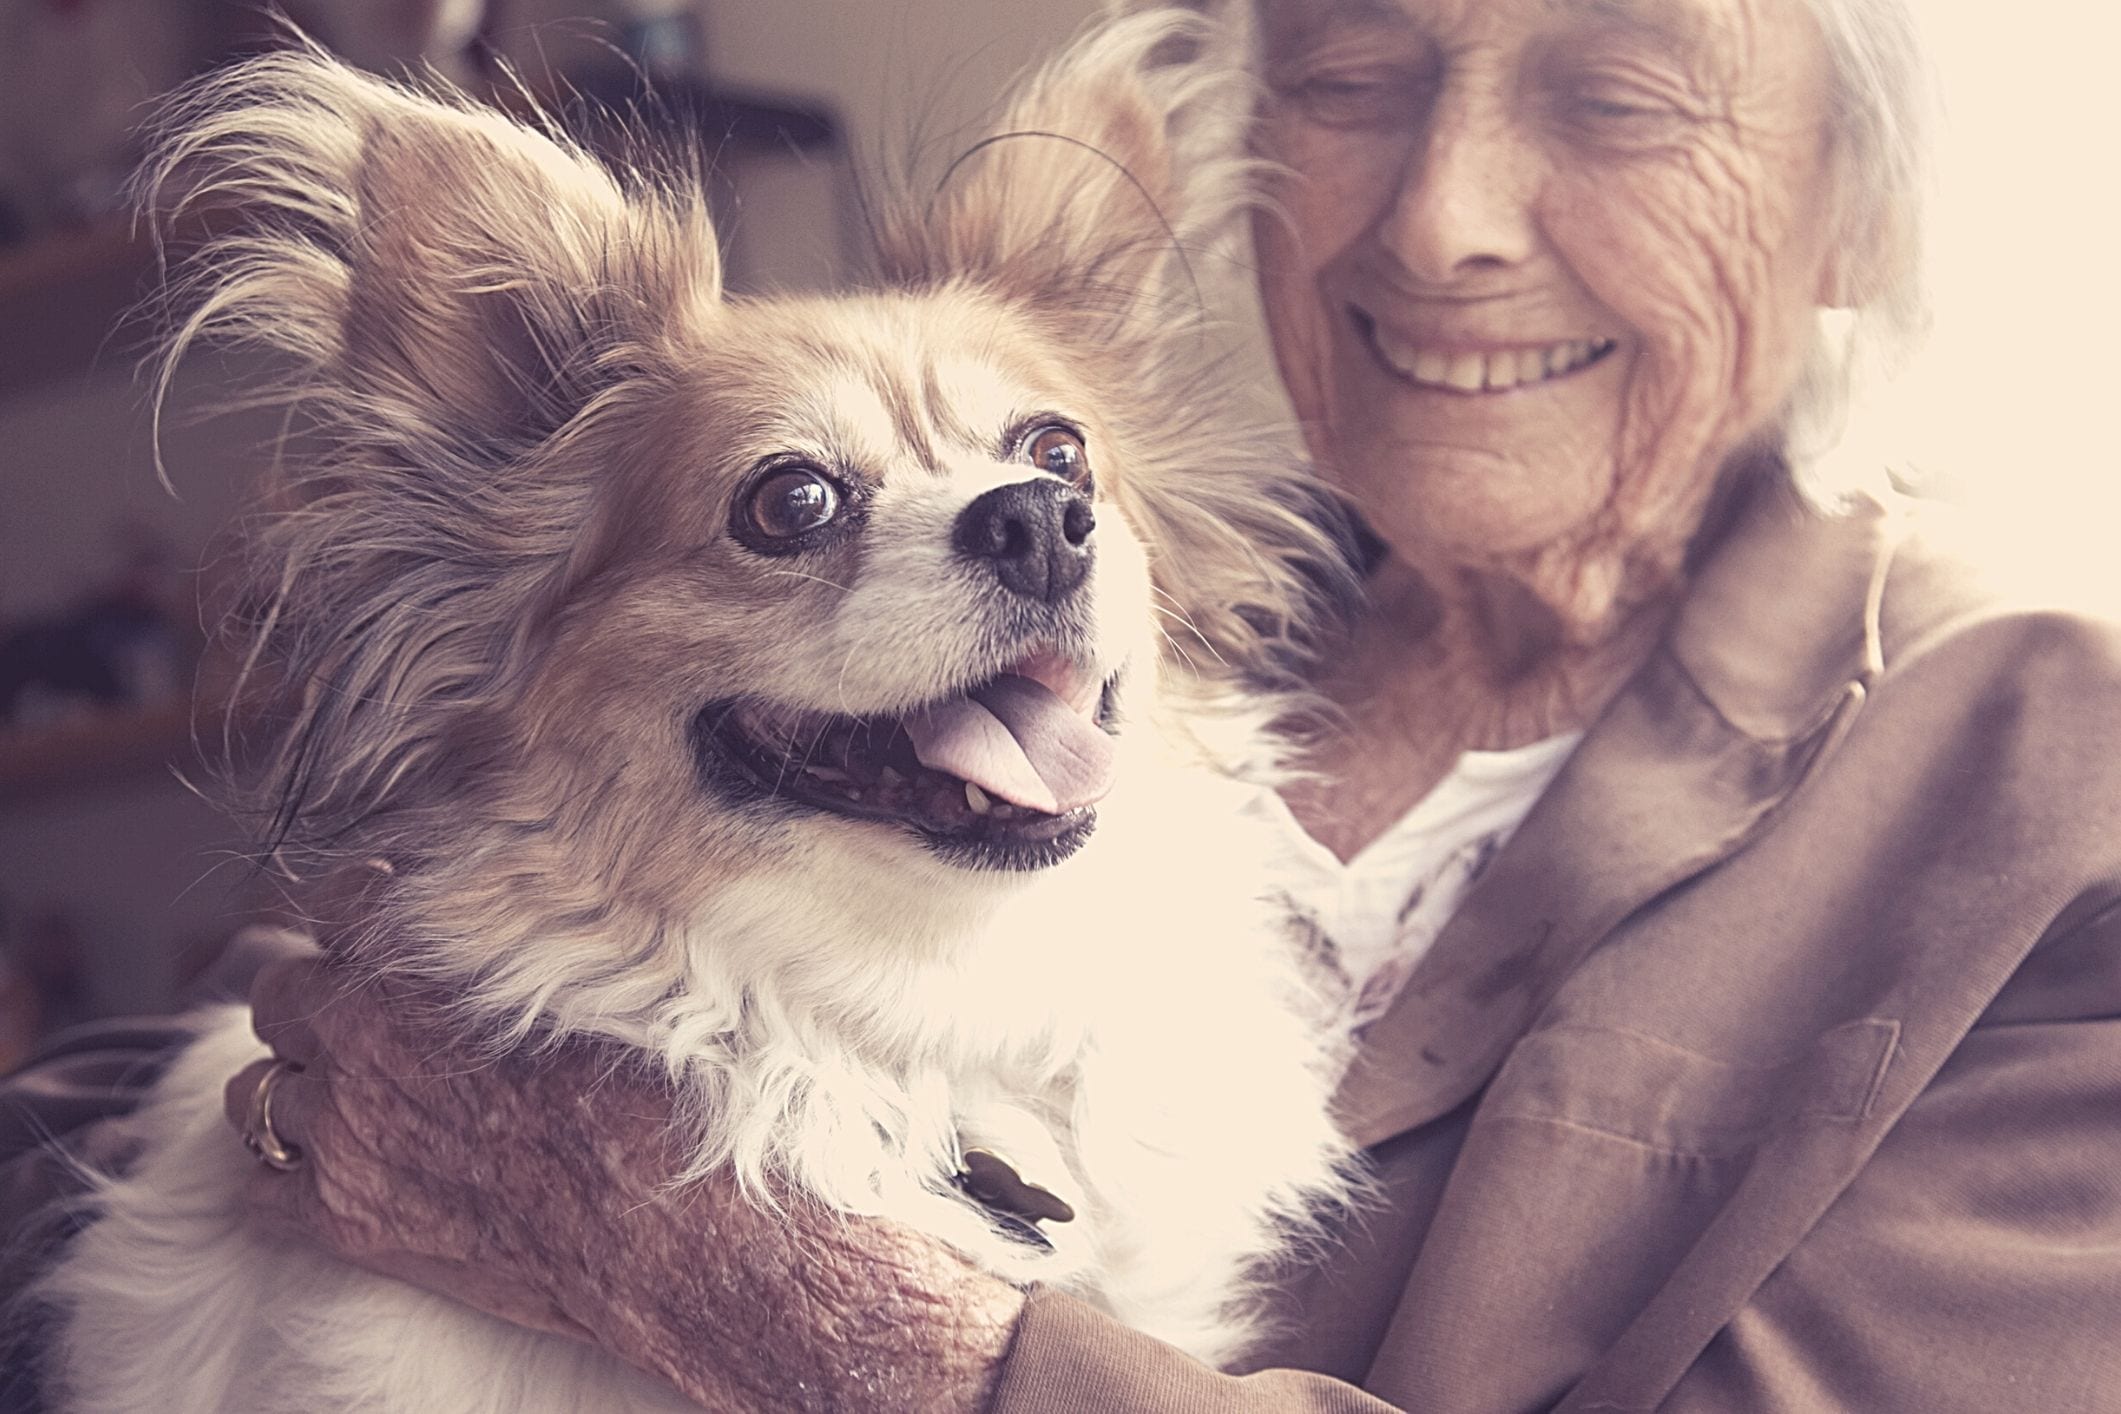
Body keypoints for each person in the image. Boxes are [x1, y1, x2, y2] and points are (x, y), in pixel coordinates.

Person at [12, 0, 2121, 1408]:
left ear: (1857, 212)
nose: (1442, 217)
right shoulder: (1202, 645)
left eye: (1615, 89)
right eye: (1357, 71)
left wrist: (824, 1311)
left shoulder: (2043, 791)